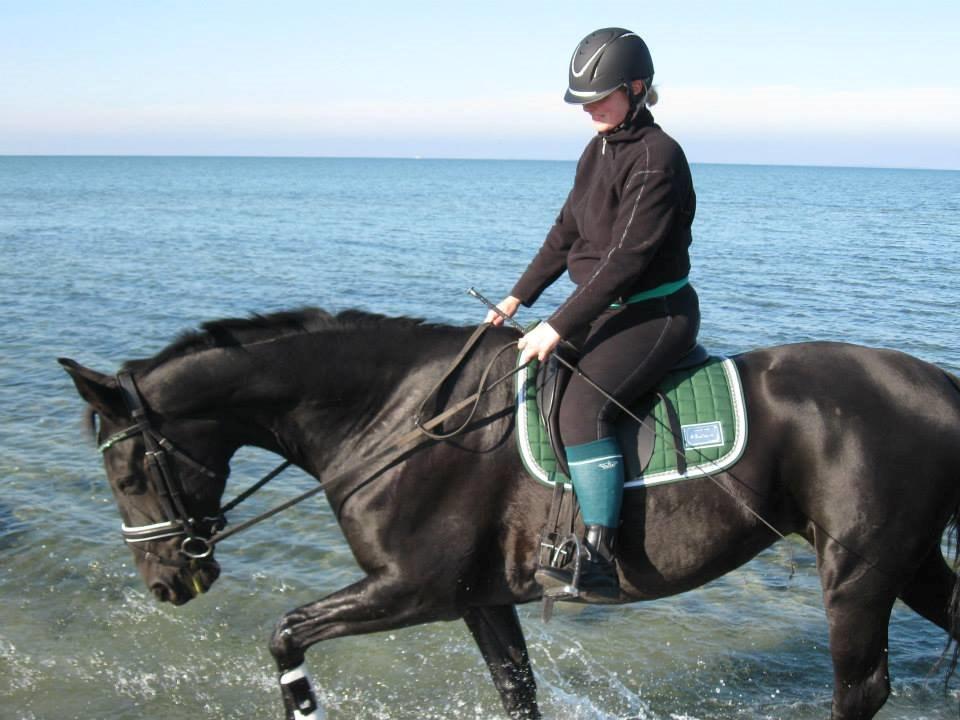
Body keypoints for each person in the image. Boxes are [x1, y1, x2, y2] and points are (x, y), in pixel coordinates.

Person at [485, 27, 700, 602]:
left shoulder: (659, 158)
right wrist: (518, 298)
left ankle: (601, 555)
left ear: (638, 88)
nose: (591, 110)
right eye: (584, 101)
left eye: (601, 98)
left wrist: (557, 326)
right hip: (602, 307)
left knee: (583, 408)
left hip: (655, 314)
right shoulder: (598, 147)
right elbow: (567, 233)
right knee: (532, 381)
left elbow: (626, 262)